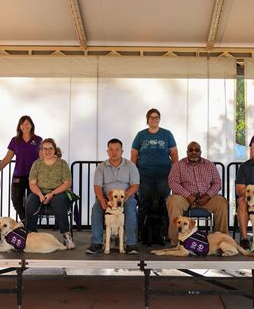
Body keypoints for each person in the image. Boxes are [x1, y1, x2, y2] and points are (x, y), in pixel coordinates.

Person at [167, 141, 228, 246]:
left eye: (197, 150)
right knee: (173, 200)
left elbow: (217, 183)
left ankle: (221, 240)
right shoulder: (178, 165)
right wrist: (188, 196)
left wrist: (207, 196)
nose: (194, 152)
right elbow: (173, 182)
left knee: (222, 202)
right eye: (191, 150)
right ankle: (176, 242)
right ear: (187, 152)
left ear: (201, 152)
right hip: (185, 198)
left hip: (206, 198)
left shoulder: (209, 165)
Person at [86, 138, 140, 254]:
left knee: (130, 208)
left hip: (126, 196)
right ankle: (96, 243)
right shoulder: (101, 167)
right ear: (107, 152)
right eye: (111, 150)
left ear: (122, 151)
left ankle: (131, 244)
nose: (114, 152)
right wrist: (101, 200)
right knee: (96, 208)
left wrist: (124, 198)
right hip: (107, 197)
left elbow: (135, 185)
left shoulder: (130, 166)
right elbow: (97, 187)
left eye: (117, 149)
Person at [131, 108, 178, 241]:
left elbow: (174, 153)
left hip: (164, 174)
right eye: (151, 117)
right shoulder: (141, 135)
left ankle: (167, 233)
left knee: (164, 203)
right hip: (144, 174)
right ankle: (138, 232)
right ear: (147, 120)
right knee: (144, 202)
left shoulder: (167, 134)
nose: (154, 119)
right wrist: (133, 172)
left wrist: (176, 171)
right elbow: (134, 154)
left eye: (156, 117)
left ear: (159, 119)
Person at [24, 138, 75, 249]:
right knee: (30, 201)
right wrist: (40, 195)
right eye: (45, 149)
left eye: (50, 148)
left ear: (55, 150)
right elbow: (32, 183)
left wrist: (52, 194)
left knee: (58, 201)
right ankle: (31, 235)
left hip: (59, 192)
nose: (47, 151)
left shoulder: (62, 163)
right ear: (41, 150)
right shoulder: (37, 164)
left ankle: (66, 236)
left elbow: (67, 183)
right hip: (40, 192)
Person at [0, 115, 42, 222]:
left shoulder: (38, 139)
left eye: (27, 123)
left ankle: (31, 226)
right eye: (22, 124)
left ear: (31, 125)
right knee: (16, 200)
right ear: (19, 126)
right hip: (18, 175)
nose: (25, 126)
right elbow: (7, 158)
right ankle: (24, 220)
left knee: (32, 202)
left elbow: (42, 158)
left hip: (34, 177)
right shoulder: (15, 140)